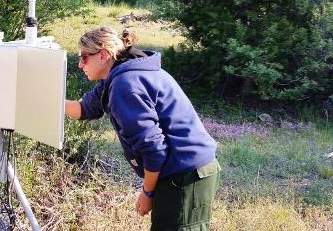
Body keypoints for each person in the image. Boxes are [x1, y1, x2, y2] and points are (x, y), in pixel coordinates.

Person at [64, 27, 220, 231]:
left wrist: (147, 194)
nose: (80, 64)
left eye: (83, 57)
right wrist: (48, 99)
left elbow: (154, 149)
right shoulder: (118, 74)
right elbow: (84, 109)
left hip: (186, 174)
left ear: (103, 55)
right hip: (184, 171)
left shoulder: (124, 85)